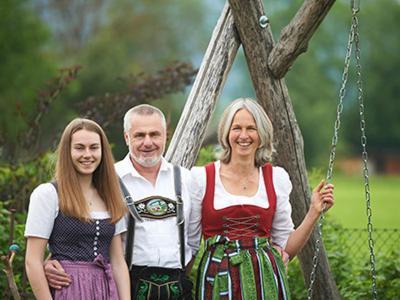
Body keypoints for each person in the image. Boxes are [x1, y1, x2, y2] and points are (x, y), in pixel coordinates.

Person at [44, 105, 200, 299]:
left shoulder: (187, 179)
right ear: (127, 137)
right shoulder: (106, 179)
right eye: (139, 135)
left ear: (165, 136)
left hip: (177, 288)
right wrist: (52, 261)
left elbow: (193, 242)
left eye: (154, 134)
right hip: (125, 286)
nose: (148, 142)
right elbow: (82, 232)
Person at [190, 98, 334, 300]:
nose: (243, 135)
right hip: (218, 280)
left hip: (264, 282)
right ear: (226, 133)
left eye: (251, 128)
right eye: (236, 128)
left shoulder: (276, 178)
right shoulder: (201, 178)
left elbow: (285, 249)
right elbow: (190, 244)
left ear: (262, 134)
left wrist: (313, 212)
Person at [25, 118, 130, 300]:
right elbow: (32, 261)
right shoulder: (48, 194)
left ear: (103, 152)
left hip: (105, 290)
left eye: (94, 148)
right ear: (68, 151)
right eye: (80, 148)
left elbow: (118, 262)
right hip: (67, 290)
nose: (87, 154)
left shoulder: (112, 196)